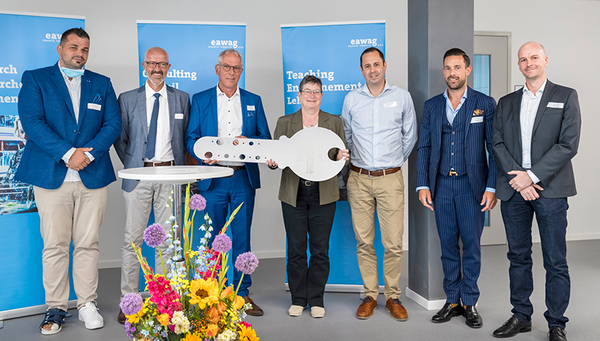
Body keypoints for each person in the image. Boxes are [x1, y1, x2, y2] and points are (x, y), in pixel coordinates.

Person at [15, 27, 121, 334]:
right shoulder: (36, 79)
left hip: (92, 175)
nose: (80, 53)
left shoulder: (101, 83)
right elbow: (32, 122)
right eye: (74, 47)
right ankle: (56, 307)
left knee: (88, 244)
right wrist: (67, 153)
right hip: (51, 176)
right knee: (55, 245)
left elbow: (113, 124)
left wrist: (87, 155)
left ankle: (87, 303)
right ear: (60, 49)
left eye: (85, 49)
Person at [491, 42, 581, 341]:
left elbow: (568, 145)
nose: (528, 63)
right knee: (518, 256)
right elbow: (497, 143)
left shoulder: (566, 96)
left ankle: (557, 322)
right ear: (519, 66)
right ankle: (521, 315)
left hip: (551, 189)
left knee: (555, 259)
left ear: (545, 60)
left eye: (533, 57)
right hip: (514, 189)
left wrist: (531, 177)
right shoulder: (505, 102)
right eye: (523, 60)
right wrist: (519, 179)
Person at [185, 49, 271, 316]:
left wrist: (252, 142)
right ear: (217, 69)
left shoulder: (253, 100)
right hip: (214, 178)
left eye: (237, 68)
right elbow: (191, 138)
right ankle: (211, 294)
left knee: (243, 238)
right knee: (212, 238)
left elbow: (265, 139)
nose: (232, 72)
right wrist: (204, 154)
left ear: (241, 71)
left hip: (243, 177)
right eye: (227, 67)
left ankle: (242, 293)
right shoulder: (200, 100)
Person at [416, 48, 497, 328]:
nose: (452, 73)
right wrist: (422, 184)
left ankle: (470, 301)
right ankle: (452, 299)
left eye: (457, 68)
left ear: (467, 70)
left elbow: (493, 148)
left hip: (470, 185)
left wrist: (492, 187)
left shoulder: (484, 103)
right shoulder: (432, 106)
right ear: (444, 72)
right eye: (448, 68)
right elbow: (424, 146)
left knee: (472, 245)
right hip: (441, 185)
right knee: (448, 243)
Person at [114, 47, 190, 324]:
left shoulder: (181, 99)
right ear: (143, 65)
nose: (157, 68)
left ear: (169, 67)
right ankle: (129, 300)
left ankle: (164, 299)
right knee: (131, 240)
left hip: (170, 176)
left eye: (162, 64)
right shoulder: (127, 99)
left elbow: (183, 138)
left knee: (169, 242)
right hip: (139, 176)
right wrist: (134, 165)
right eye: (152, 63)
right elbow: (120, 139)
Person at [341, 47, 417, 321]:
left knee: (394, 242)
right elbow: (346, 137)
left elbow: (410, 136)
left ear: (385, 65)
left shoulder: (401, 97)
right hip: (358, 179)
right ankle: (370, 295)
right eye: (367, 66)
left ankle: (393, 297)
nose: (372, 70)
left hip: (390, 179)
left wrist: (392, 162)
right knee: (364, 242)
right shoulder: (351, 99)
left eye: (376, 64)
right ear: (361, 70)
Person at [266, 75, 349, 318]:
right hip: (294, 192)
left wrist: (342, 157)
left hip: (324, 193)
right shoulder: (285, 122)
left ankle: (316, 299)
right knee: (296, 249)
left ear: (321, 96)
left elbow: (341, 157)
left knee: (320, 249)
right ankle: (298, 298)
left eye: (316, 92)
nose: (312, 96)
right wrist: (272, 161)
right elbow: (274, 158)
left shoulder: (333, 122)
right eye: (307, 91)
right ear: (299, 95)